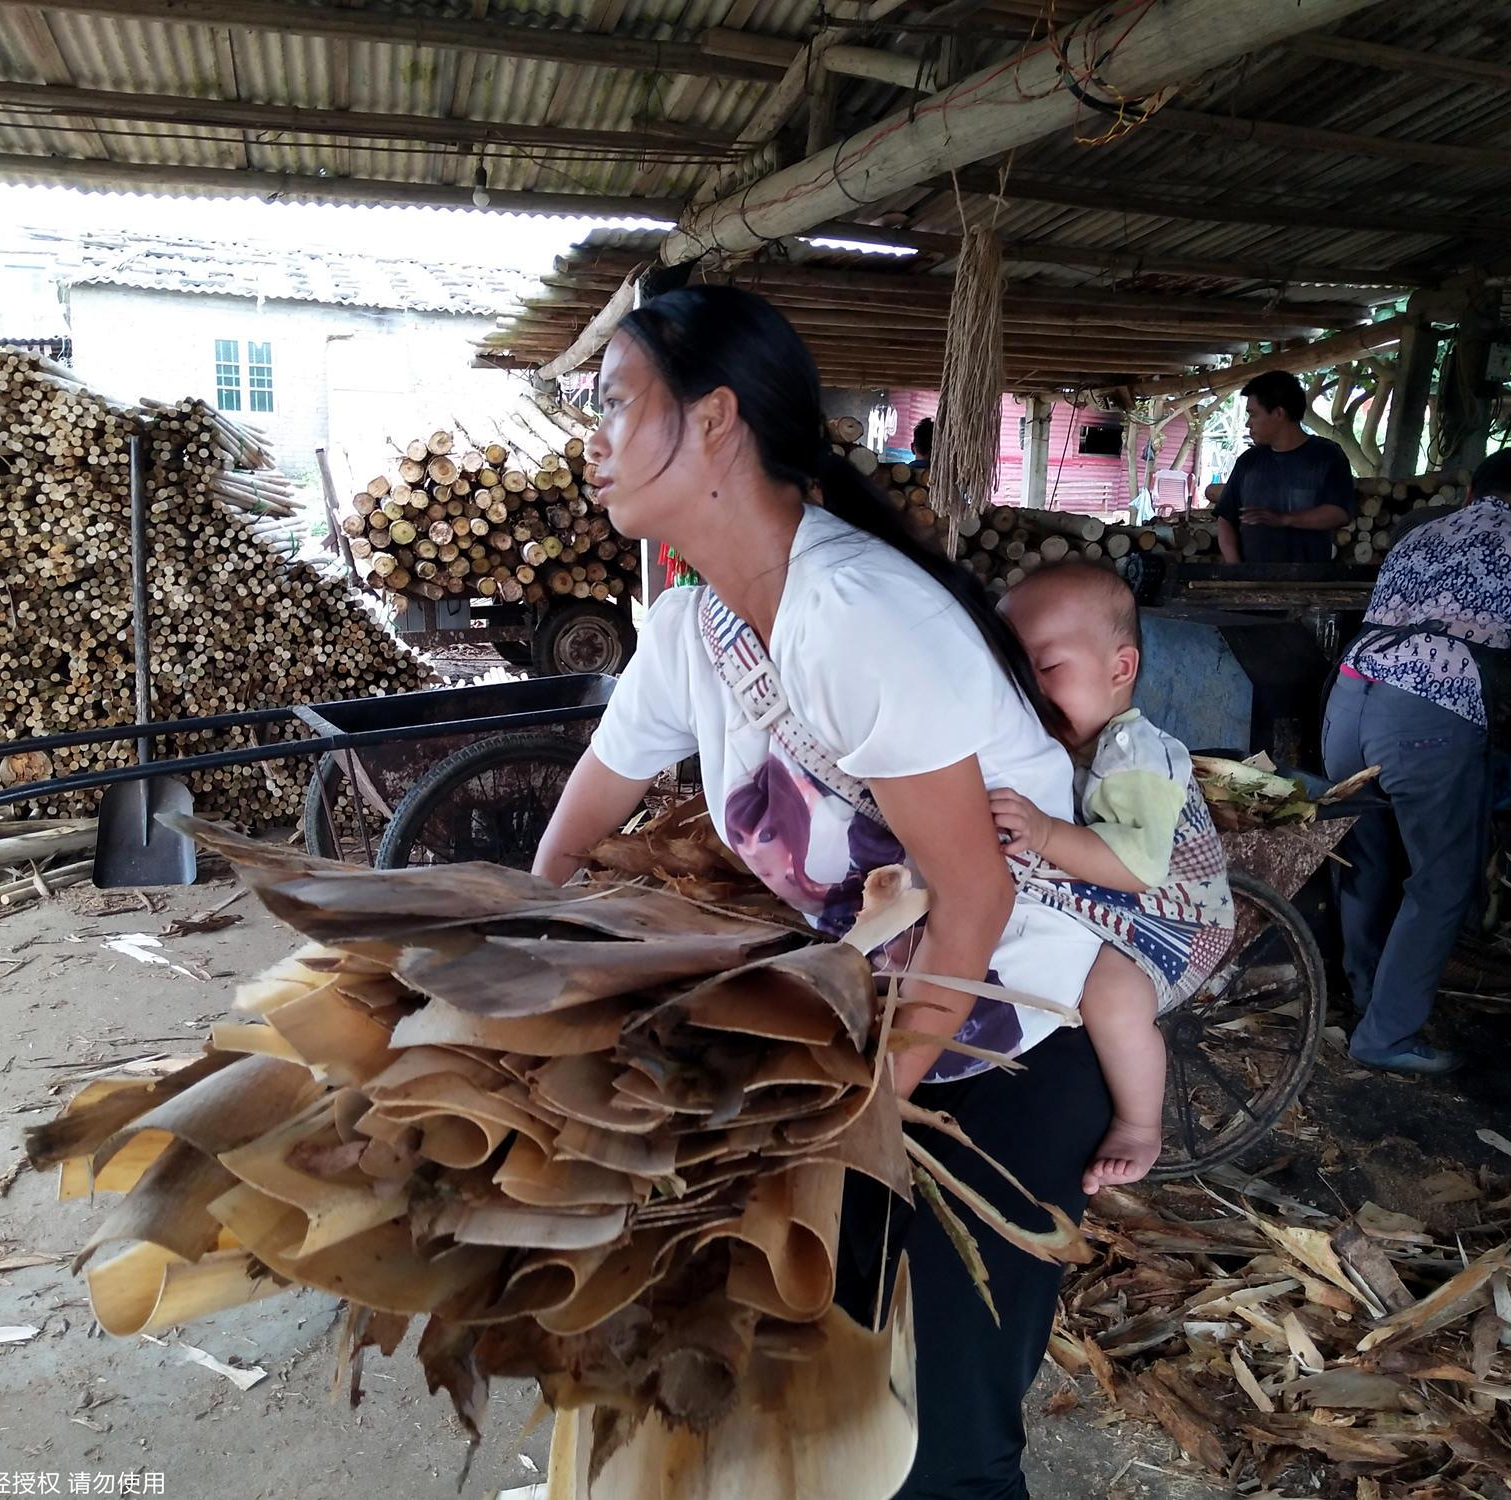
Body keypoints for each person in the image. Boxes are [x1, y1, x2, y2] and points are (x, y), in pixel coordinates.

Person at [531, 285, 1111, 1498]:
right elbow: (594, 798)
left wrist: (869, 1108)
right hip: (874, 1044)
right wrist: (520, 943)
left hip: (1003, 1049)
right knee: (833, 1394)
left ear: (715, 421)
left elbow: (976, 900)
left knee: (949, 1449)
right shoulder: (695, 624)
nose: (588, 436)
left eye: (613, 403)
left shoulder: (845, 611)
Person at [1324, 440, 1511, 1075]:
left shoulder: (1421, 534)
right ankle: (1384, 1036)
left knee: (1362, 853)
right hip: (1430, 705)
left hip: (1350, 691)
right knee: (1442, 879)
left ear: (1472, 493)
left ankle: (1363, 996)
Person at [987, 564, 1236, 1193]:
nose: (1030, 693)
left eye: (1046, 669)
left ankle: (1137, 1122)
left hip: (1168, 916)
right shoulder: (1056, 745)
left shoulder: (1137, 755)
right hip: (1104, 898)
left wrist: (1042, 834)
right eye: (1014, 676)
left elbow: (1132, 867)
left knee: (1108, 993)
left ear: (1120, 669)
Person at [1214, 370, 1356, 564]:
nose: (1248, 423)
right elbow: (1225, 519)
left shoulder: (1327, 456)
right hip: (1252, 583)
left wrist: (1284, 519)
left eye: (1253, 414)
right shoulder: (1248, 461)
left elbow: (1340, 513)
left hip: (1310, 583)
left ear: (1279, 413)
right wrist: (1236, 570)